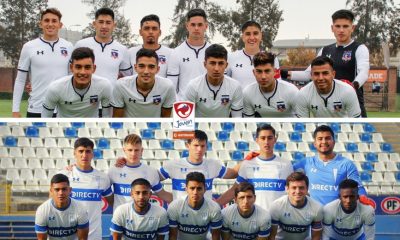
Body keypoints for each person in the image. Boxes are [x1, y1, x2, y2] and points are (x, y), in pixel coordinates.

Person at [286, 9, 369, 117]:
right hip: (329, 107)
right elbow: (308, 74)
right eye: (338, 26)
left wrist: (353, 86)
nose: (341, 30)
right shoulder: (325, 50)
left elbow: (363, 73)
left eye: (345, 26)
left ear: (352, 28)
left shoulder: (359, 48)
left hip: (352, 106)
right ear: (332, 28)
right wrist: (282, 73)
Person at [12, 8, 73, 118]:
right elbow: (20, 80)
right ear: (40, 24)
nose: (50, 24)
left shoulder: (69, 46)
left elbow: (71, 77)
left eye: (54, 21)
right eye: (46, 20)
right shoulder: (29, 47)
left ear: (60, 24)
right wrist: (15, 110)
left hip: (62, 110)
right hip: (36, 108)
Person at [217, 124, 293, 210]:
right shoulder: (247, 164)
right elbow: (234, 190)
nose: (266, 142)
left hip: (278, 218)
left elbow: (293, 191)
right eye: (263, 138)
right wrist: (216, 204)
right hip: (256, 219)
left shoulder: (286, 164)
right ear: (257, 140)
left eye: (270, 138)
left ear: (275, 140)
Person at [293, 125, 368, 205]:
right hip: (314, 214)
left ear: (334, 142)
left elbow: (358, 187)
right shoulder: (306, 163)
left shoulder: (346, 164)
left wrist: (363, 199)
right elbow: (287, 174)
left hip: (337, 214)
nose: (324, 142)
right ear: (315, 143)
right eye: (320, 139)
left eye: (327, 138)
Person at [159, 129, 238, 200]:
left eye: (202, 146)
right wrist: (172, 200)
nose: (199, 149)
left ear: (206, 147)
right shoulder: (174, 165)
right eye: (196, 145)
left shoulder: (212, 165)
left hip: (205, 215)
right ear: (188, 146)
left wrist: (247, 159)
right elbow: (153, 179)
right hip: (179, 214)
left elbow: (233, 173)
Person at [59, 138, 113, 239]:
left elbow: (114, 203)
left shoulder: (102, 178)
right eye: (81, 151)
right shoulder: (64, 175)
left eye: (88, 151)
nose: (84, 155)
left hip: (94, 236)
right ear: (74, 153)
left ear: (92, 154)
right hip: (69, 236)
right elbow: (52, 204)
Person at [42, 47, 113, 118]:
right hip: (64, 128)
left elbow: (107, 117)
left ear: (94, 69)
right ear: (71, 67)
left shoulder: (104, 85)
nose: (82, 72)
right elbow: (45, 118)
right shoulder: (55, 88)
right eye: (78, 67)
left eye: (87, 67)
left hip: (91, 128)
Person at [108, 134, 172, 211]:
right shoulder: (114, 170)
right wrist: (117, 208)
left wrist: (185, 201)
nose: (133, 154)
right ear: (124, 150)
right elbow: (105, 192)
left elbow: (163, 194)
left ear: (142, 150)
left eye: (136, 150)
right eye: (130, 150)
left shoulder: (151, 171)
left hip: (143, 220)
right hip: (121, 220)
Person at [74, 7, 132, 85]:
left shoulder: (122, 49)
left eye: (108, 22)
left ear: (114, 25)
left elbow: (127, 78)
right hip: (85, 96)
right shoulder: (81, 45)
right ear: (94, 24)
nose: (104, 26)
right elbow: (71, 72)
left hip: (111, 96)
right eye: (101, 22)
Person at [111, 48, 176, 118]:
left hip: (156, 128)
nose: (146, 71)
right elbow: (117, 119)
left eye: (151, 67)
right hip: (129, 128)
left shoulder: (167, 86)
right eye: (141, 66)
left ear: (157, 69)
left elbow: (165, 119)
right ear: (135, 67)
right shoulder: (121, 85)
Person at [183, 44, 243, 118]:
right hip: (198, 128)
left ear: (226, 65)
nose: (216, 68)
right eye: (212, 63)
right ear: (205, 64)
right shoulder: (193, 86)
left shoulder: (235, 86)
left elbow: (237, 120)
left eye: (221, 63)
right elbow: (185, 119)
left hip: (224, 129)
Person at [295, 56, 361, 118]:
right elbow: (302, 126)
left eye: (325, 73)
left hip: (343, 129)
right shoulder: (303, 93)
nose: (320, 78)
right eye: (316, 74)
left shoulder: (348, 91)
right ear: (311, 75)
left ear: (333, 74)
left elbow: (357, 124)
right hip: (319, 130)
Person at [167, 8, 211, 100]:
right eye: (193, 24)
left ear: (206, 26)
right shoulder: (176, 52)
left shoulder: (213, 52)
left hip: (209, 105)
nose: (196, 28)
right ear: (187, 26)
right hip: (185, 106)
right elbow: (171, 87)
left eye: (200, 25)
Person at [167, 172, 222, 240]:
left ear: (205, 189)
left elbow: (216, 237)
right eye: (192, 188)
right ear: (186, 189)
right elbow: (172, 236)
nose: (195, 192)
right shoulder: (174, 207)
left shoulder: (214, 208)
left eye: (199, 188)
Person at [226, 20, 280, 88]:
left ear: (261, 36)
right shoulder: (230, 57)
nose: (252, 38)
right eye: (248, 34)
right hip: (239, 99)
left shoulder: (272, 58)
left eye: (255, 33)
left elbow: (278, 84)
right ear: (243, 37)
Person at [243, 51, 298, 118]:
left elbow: (302, 122)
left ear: (275, 72)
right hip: (263, 128)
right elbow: (249, 124)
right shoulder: (247, 92)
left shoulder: (291, 91)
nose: (263, 76)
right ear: (254, 72)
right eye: (259, 71)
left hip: (290, 128)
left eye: (267, 71)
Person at [269, 172, 323, 240]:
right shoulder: (276, 206)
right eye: (294, 188)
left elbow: (316, 237)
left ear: (307, 189)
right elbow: (271, 236)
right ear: (287, 189)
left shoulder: (317, 208)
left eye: (301, 188)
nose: (297, 191)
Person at [35, 174, 89, 240]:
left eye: (64, 189)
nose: (61, 193)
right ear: (51, 191)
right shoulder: (42, 211)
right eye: (57, 189)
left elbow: (83, 239)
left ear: (70, 190)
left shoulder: (81, 209)